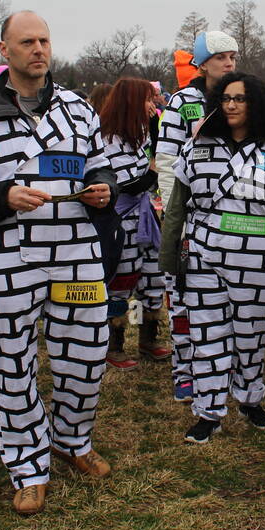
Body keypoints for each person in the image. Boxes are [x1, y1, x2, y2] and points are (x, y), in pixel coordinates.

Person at [0, 10, 117, 516]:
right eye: (27, 42)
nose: (39, 49)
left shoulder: (79, 110)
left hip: (74, 251)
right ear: (5, 51)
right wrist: (2, 196)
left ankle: (72, 441)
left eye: (44, 40)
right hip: (5, 257)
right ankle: (28, 466)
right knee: (12, 364)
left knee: (86, 355)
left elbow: (99, 163)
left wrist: (105, 188)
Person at [160, 72, 265, 442]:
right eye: (226, 98)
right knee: (208, 336)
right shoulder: (197, 146)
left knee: (252, 336)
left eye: (241, 98)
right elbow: (177, 207)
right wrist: (169, 257)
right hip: (205, 257)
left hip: (260, 261)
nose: (232, 105)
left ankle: (250, 400)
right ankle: (208, 412)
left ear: (257, 104)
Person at [155, 30, 238, 401]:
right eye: (222, 57)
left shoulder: (238, 98)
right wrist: (177, 217)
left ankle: (224, 367)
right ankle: (185, 370)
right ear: (202, 63)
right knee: (184, 296)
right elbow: (168, 161)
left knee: (225, 298)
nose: (229, 63)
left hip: (229, 219)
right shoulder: (183, 102)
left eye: (233, 57)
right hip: (189, 219)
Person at [99, 76, 169, 369]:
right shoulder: (109, 139)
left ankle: (147, 339)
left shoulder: (140, 134)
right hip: (123, 223)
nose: (152, 105)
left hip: (146, 221)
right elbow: (127, 186)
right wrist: (155, 169)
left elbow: (158, 144)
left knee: (151, 280)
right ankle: (114, 344)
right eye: (146, 99)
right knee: (122, 282)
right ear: (130, 102)